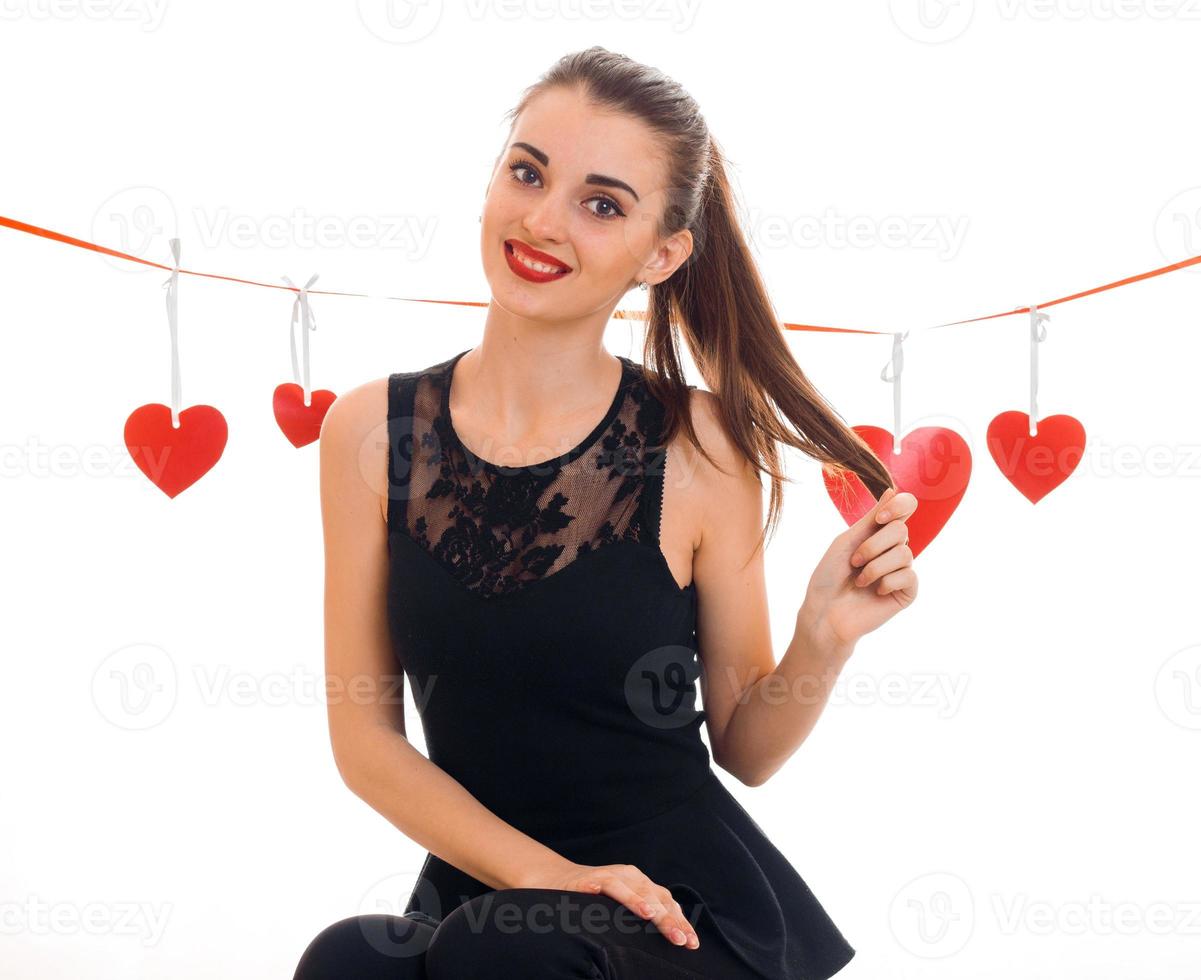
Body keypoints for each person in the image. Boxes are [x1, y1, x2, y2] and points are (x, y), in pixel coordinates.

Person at [293, 45, 919, 980]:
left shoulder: (698, 447)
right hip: (498, 896)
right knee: (348, 961)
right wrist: (548, 879)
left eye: (601, 203)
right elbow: (368, 743)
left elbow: (744, 748)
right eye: (527, 172)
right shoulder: (369, 433)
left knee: (496, 959)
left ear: (661, 253)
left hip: (673, 906)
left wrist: (821, 638)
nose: (542, 221)